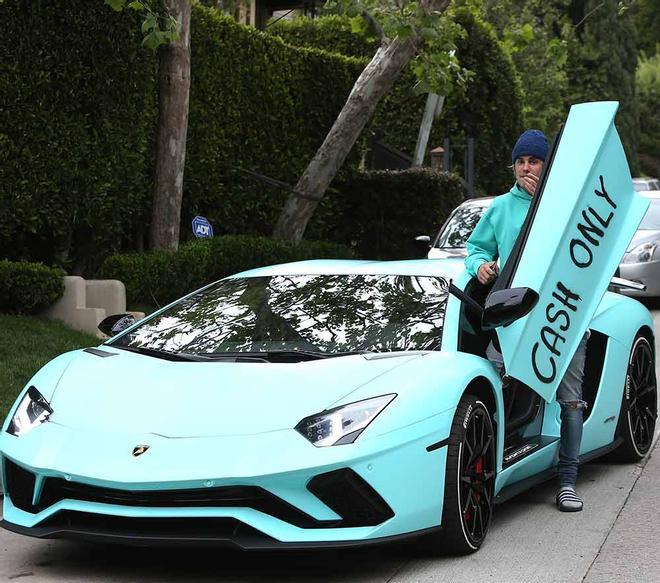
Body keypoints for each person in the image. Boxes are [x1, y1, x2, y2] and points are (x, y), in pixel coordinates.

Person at [464, 129, 587, 512]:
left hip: (562, 313)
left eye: (534, 161)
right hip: (511, 315)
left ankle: (567, 481)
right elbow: (475, 247)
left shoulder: (565, 203)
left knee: (570, 400)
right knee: (490, 380)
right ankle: (491, 470)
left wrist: (544, 205)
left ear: (546, 166)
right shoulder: (501, 207)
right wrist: (480, 265)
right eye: (521, 161)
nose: (526, 167)